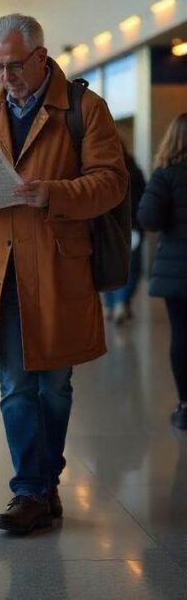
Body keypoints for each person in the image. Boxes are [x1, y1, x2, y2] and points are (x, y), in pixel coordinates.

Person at [0, 13, 127, 534]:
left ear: (42, 57)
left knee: (55, 386)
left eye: (15, 65)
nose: (6, 76)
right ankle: (30, 489)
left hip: (55, 265)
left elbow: (112, 182)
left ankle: (43, 486)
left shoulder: (84, 109)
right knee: (15, 385)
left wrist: (55, 192)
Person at [137, 113, 187, 430]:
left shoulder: (165, 175)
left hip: (177, 272)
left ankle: (185, 406)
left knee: (182, 338)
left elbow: (149, 218)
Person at [102, 145, 146, 324]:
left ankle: (109, 306)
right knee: (130, 268)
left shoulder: (103, 173)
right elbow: (143, 201)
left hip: (107, 228)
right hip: (132, 227)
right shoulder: (135, 172)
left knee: (108, 268)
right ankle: (120, 303)